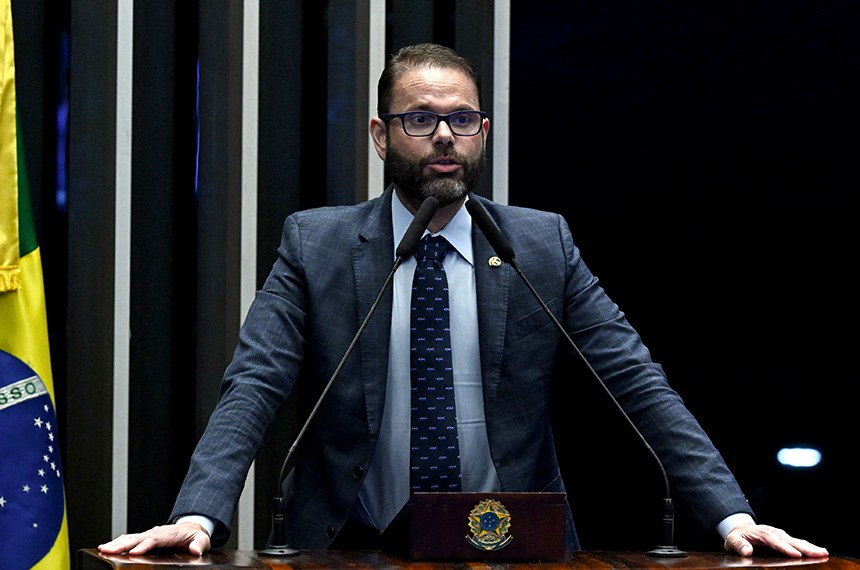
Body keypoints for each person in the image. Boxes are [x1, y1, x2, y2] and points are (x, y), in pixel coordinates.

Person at [98, 42, 828, 559]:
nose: (445, 136)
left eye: (463, 119)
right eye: (420, 119)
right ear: (382, 136)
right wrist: (199, 513)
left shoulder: (541, 244)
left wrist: (731, 516)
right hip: (347, 544)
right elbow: (254, 384)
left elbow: (637, 381)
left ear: (484, 130)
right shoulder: (316, 244)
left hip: (512, 543)